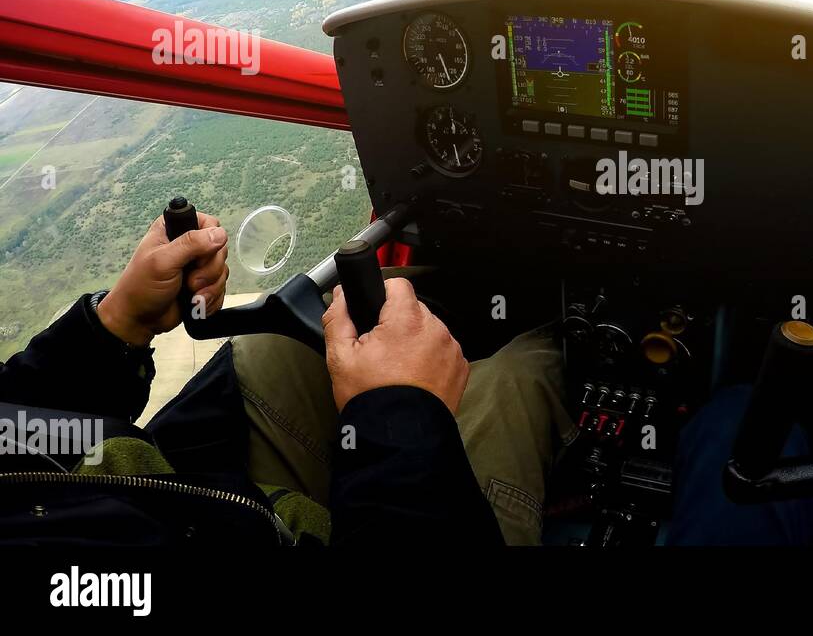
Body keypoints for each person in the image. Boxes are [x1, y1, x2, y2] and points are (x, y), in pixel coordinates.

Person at [0, 211, 569, 545]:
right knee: (527, 367)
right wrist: (402, 421)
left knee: (292, 335)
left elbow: (18, 421)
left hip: (190, 493)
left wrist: (116, 326)